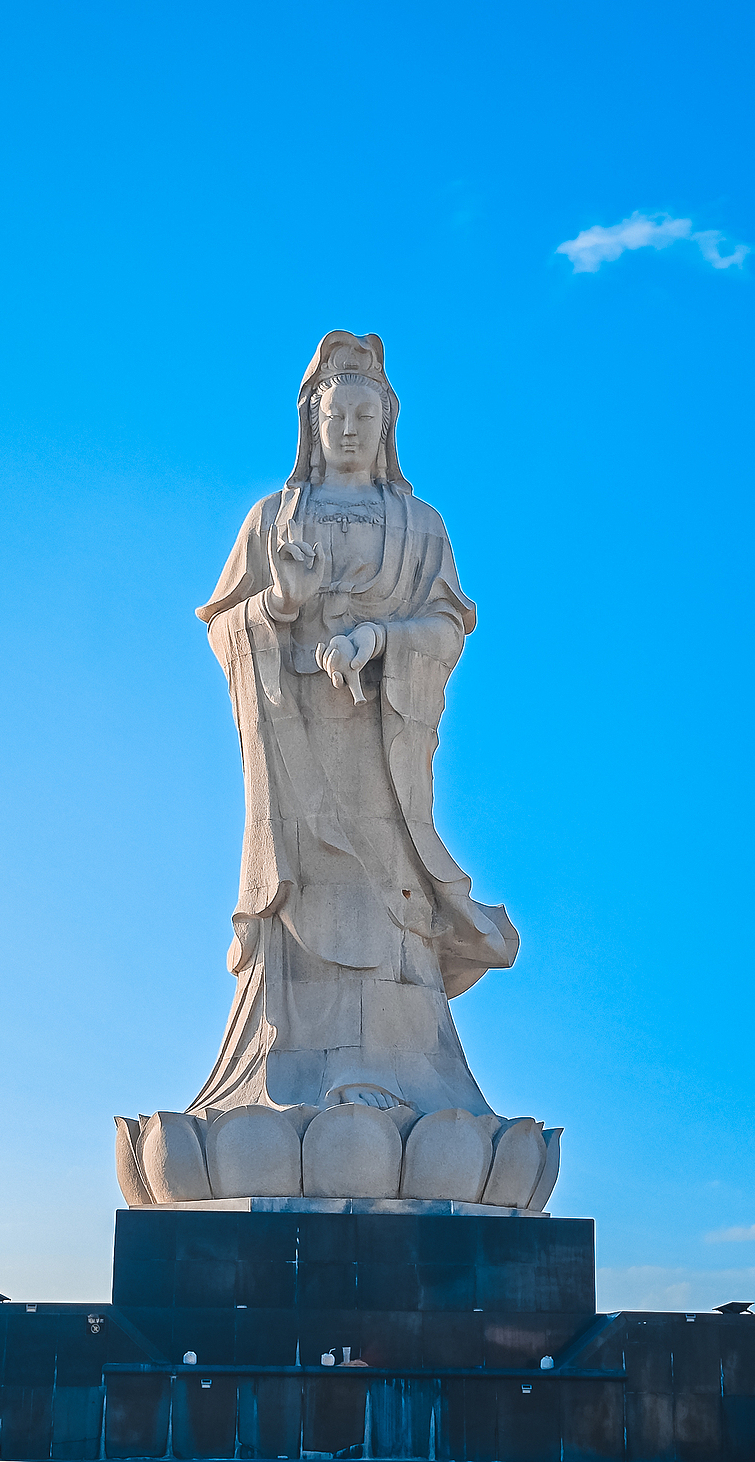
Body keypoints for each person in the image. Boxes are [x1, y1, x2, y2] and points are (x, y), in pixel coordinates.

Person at [191, 332, 517, 1116]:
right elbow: (223, 628)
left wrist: (381, 640)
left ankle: (403, 1078)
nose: (349, 431)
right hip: (294, 749)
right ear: (312, 419)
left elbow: (446, 631)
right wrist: (278, 604)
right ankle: (277, 1082)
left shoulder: (420, 527)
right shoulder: (271, 521)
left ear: (386, 424)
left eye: (366, 416)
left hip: (382, 753)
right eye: (337, 415)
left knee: (389, 899)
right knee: (297, 898)